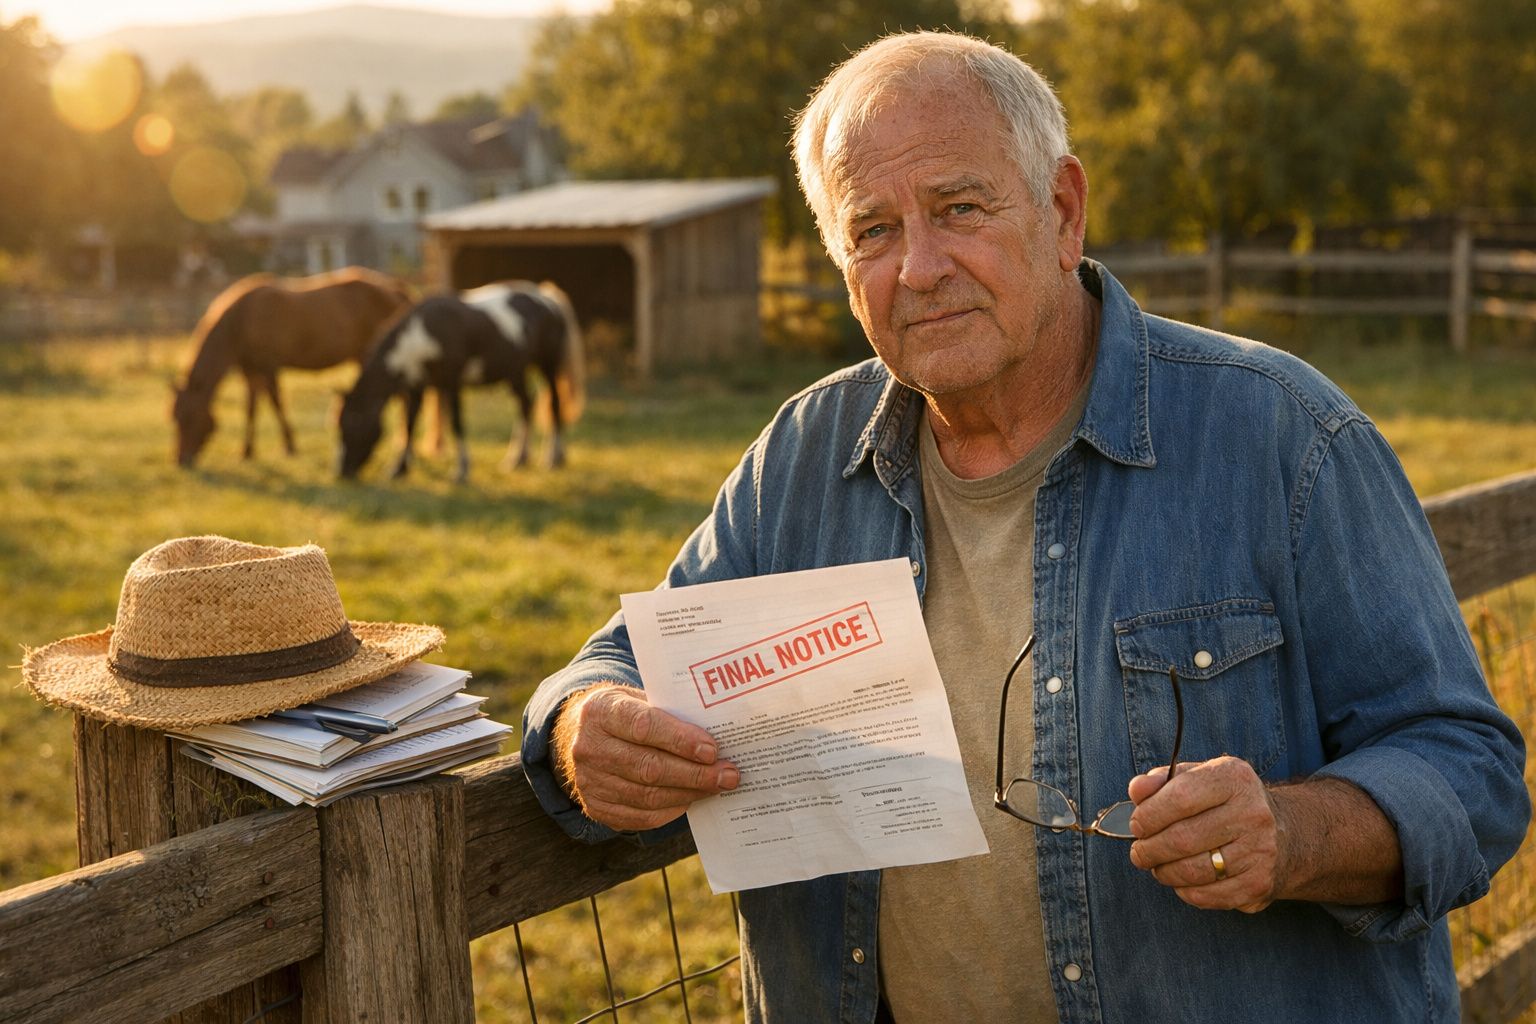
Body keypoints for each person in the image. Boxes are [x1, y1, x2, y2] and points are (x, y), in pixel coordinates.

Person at [521, 30, 1529, 1023]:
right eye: (871, 230)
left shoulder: (1282, 436)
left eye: (960, 208)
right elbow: (618, 661)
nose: (918, 267)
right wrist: (583, 726)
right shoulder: (799, 461)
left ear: (1062, 210)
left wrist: (1290, 832)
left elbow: (1468, 772)